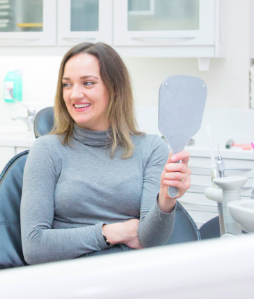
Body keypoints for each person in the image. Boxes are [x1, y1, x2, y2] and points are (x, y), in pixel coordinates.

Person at [20, 42, 192, 265]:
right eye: (67, 84)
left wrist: (166, 198)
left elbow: (151, 241)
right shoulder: (47, 150)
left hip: (129, 276)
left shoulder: (151, 149)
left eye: (88, 83)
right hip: (67, 278)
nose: (74, 94)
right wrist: (114, 232)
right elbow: (34, 247)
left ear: (115, 88)